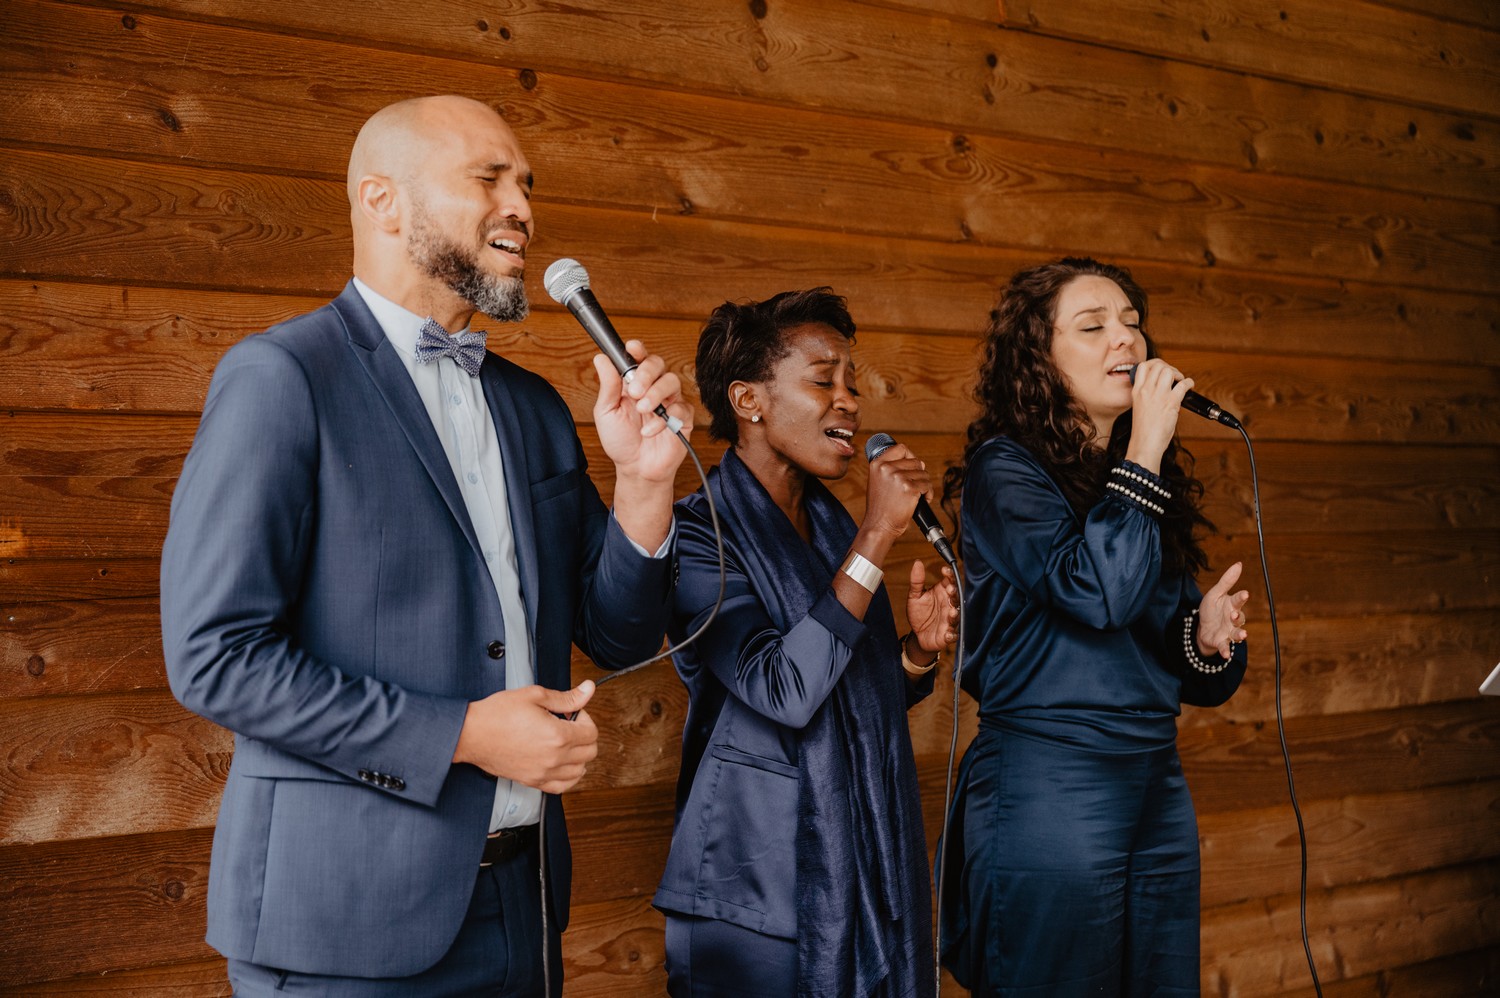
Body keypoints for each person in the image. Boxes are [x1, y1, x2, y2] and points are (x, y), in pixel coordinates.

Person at [160, 95, 693, 996]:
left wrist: (644, 484)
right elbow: (215, 658)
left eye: (525, 183)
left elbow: (620, 636)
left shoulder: (532, 409)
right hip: (344, 927)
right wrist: (465, 734)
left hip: (521, 909)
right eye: (489, 178)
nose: (521, 205)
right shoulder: (282, 379)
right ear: (383, 202)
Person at [937, 258, 1251, 996]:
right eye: (1094, 326)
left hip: (1154, 779)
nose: (1127, 342)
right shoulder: (1005, 473)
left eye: (1133, 324)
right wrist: (1143, 449)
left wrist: (1203, 640)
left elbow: (1172, 660)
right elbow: (1096, 595)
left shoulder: (1137, 488)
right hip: (1052, 779)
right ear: (1038, 359)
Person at [653, 288, 959, 997]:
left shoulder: (826, 529)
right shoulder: (697, 536)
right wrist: (878, 534)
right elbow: (784, 688)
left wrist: (914, 653)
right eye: (824, 380)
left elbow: (847, 682)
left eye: (851, 383)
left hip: (864, 870)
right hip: (753, 892)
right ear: (749, 401)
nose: (848, 401)